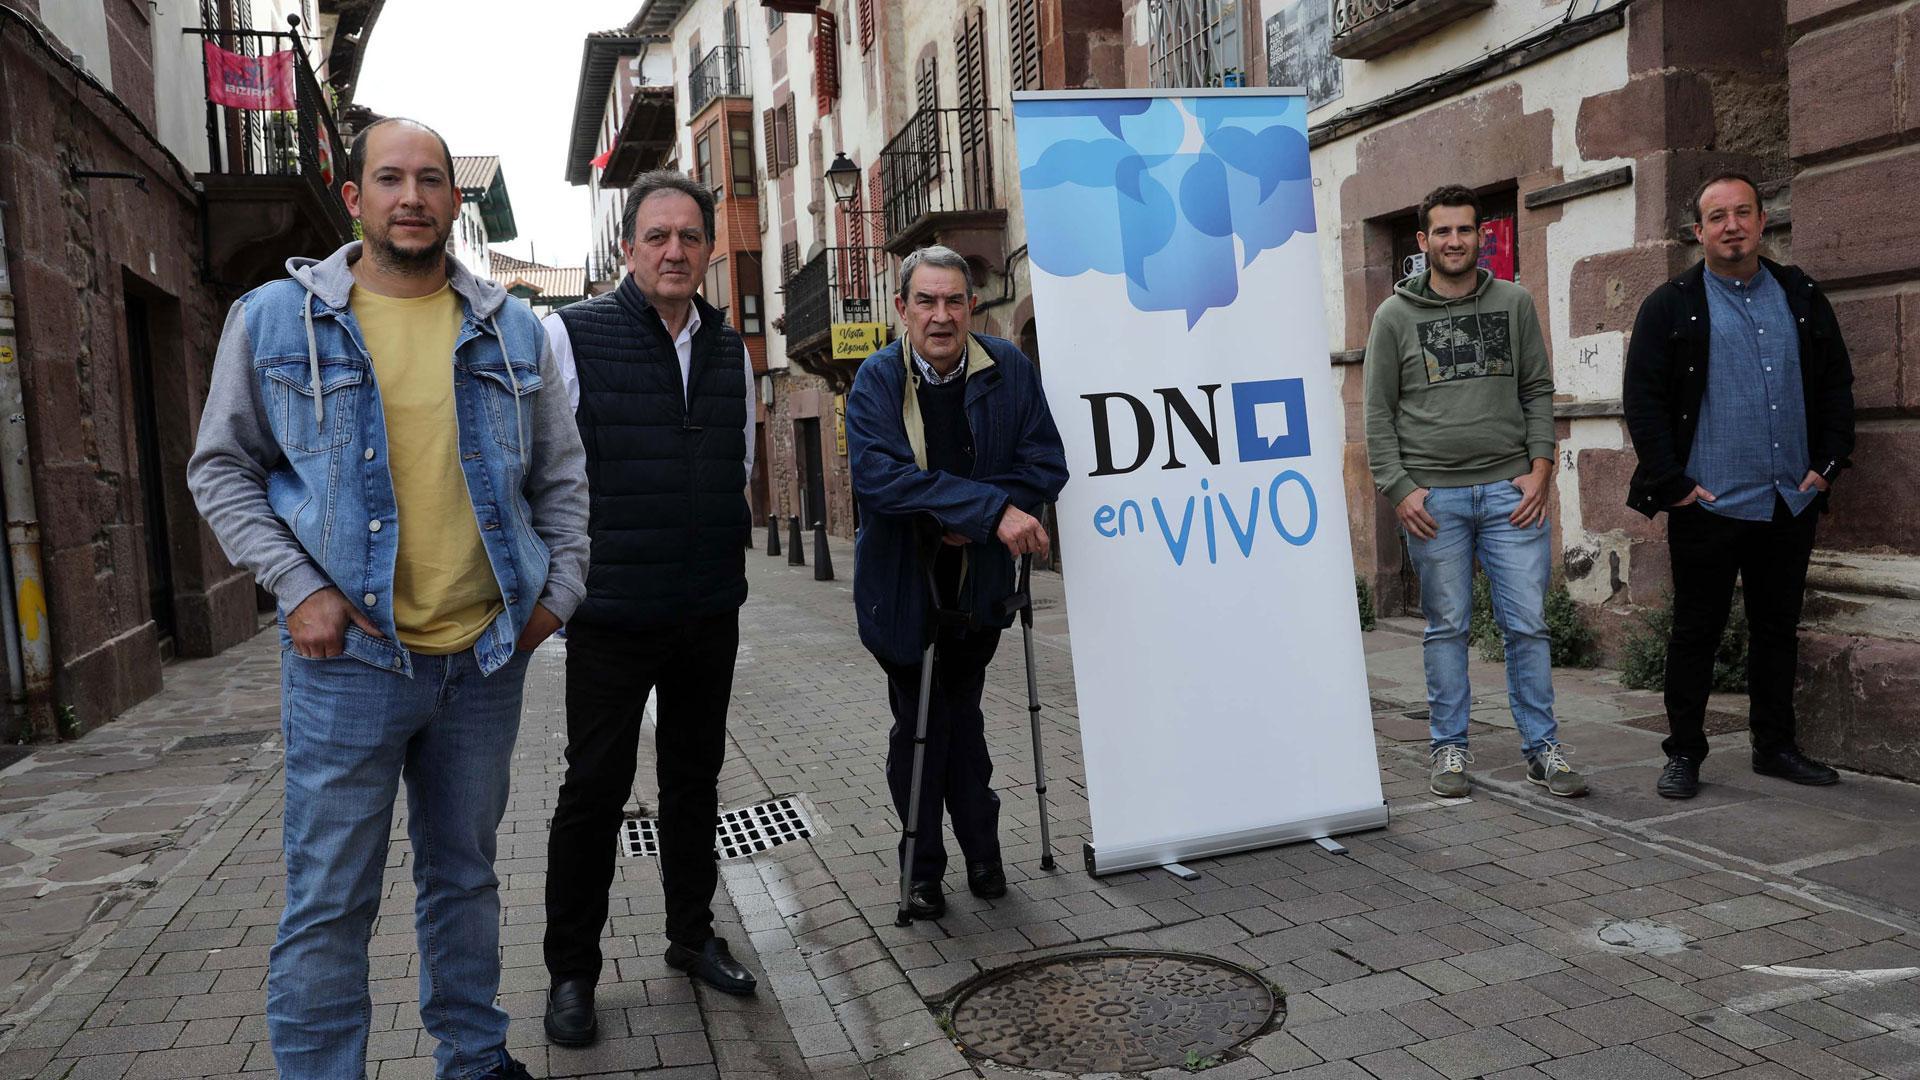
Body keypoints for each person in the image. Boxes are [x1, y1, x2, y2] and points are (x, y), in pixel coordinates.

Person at [186, 117, 588, 1080]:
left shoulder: (514, 328)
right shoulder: (275, 320)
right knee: (329, 896)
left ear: (456, 200)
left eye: (431, 180)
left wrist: (554, 600)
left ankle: (475, 1059)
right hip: (348, 663)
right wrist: (298, 587)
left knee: (466, 879)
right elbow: (221, 470)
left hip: (484, 660)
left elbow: (562, 483)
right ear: (356, 195)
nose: (411, 196)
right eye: (390, 179)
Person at [540, 171, 759, 1046]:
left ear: (710, 250)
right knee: (593, 791)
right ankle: (572, 972)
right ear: (628, 248)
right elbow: (544, 470)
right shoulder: (572, 334)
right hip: (612, 613)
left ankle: (690, 934)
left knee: (695, 784)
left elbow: (739, 465)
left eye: (690, 237)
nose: (675, 251)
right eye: (657, 236)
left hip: (708, 610)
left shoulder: (728, 349)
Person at [844, 244, 1068, 921]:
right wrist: (987, 508)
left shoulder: (1010, 369)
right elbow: (879, 478)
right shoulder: (876, 382)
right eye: (926, 301)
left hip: (978, 587)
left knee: (958, 717)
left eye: (953, 301)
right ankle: (927, 866)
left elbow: (1045, 462)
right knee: (921, 724)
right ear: (902, 309)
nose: (941, 316)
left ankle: (980, 852)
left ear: (971, 306)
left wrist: (976, 517)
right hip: (901, 588)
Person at [1622, 172, 1855, 799]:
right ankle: (1684, 754)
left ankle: (1774, 746)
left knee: (1777, 629)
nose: (1732, 225)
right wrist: (1671, 484)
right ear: (1698, 231)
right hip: (1709, 502)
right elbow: (1642, 402)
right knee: (1696, 630)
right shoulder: (1669, 304)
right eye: (1717, 216)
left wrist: (1829, 463)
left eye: (1743, 213)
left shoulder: (1800, 294)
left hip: (1789, 498)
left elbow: (1836, 385)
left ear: (1761, 221)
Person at [1364, 184, 1587, 800]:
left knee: (1529, 625)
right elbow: (1377, 413)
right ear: (1423, 241)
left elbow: (1538, 388)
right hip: (1434, 500)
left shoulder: (1514, 303)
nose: (1454, 241)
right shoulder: (1394, 316)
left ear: (1480, 236)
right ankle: (1450, 748)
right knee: (1447, 626)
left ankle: (1543, 750)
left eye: (1465, 230)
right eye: (1442, 231)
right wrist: (1399, 487)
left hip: (1510, 494)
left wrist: (1541, 467)